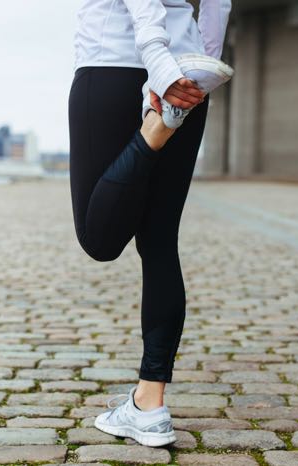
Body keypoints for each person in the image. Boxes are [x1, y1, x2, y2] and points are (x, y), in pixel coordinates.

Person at [68, 0, 232, 447]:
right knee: (159, 243)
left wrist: (161, 69)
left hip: (111, 67)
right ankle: (149, 405)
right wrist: (199, 70)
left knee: (99, 240)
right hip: (186, 75)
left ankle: (156, 128)